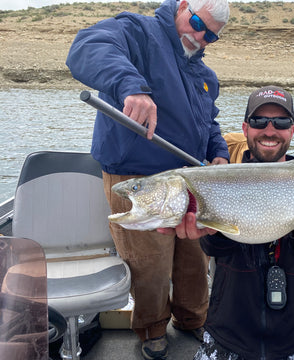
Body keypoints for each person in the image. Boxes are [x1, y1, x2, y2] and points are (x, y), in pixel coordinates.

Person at [65, 1, 230, 359]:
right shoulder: (139, 33)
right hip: (136, 176)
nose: (201, 36)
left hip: (189, 182)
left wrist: (219, 152)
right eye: (198, 22)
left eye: (211, 35)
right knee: (149, 264)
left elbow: (209, 124)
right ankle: (153, 328)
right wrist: (131, 85)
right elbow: (87, 46)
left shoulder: (205, 77)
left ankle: (192, 318)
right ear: (183, 6)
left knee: (194, 258)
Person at [164, 85, 294, 359]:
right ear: (245, 128)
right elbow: (215, 249)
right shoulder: (220, 181)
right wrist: (211, 226)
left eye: (281, 122)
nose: (270, 130)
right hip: (229, 332)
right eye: (260, 121)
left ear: (292, 130)